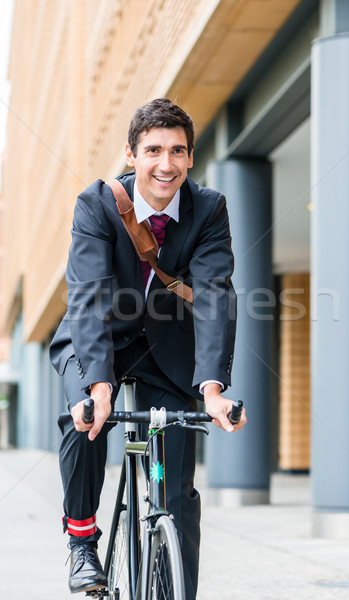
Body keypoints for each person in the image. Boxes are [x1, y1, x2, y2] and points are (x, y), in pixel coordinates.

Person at [50, 97, 246, 598]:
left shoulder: (208, 208)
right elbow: (89, 297)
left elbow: (215, 295)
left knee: (176, 490)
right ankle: (81, 541)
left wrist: (213, 388)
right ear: (131, 154)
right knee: (86, 418)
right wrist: (98, 384)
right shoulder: (96, 204)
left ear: (191, 157)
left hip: (170, 349)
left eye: (177, 151)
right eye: (154, 150)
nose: (166, 164)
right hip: (99, 339)